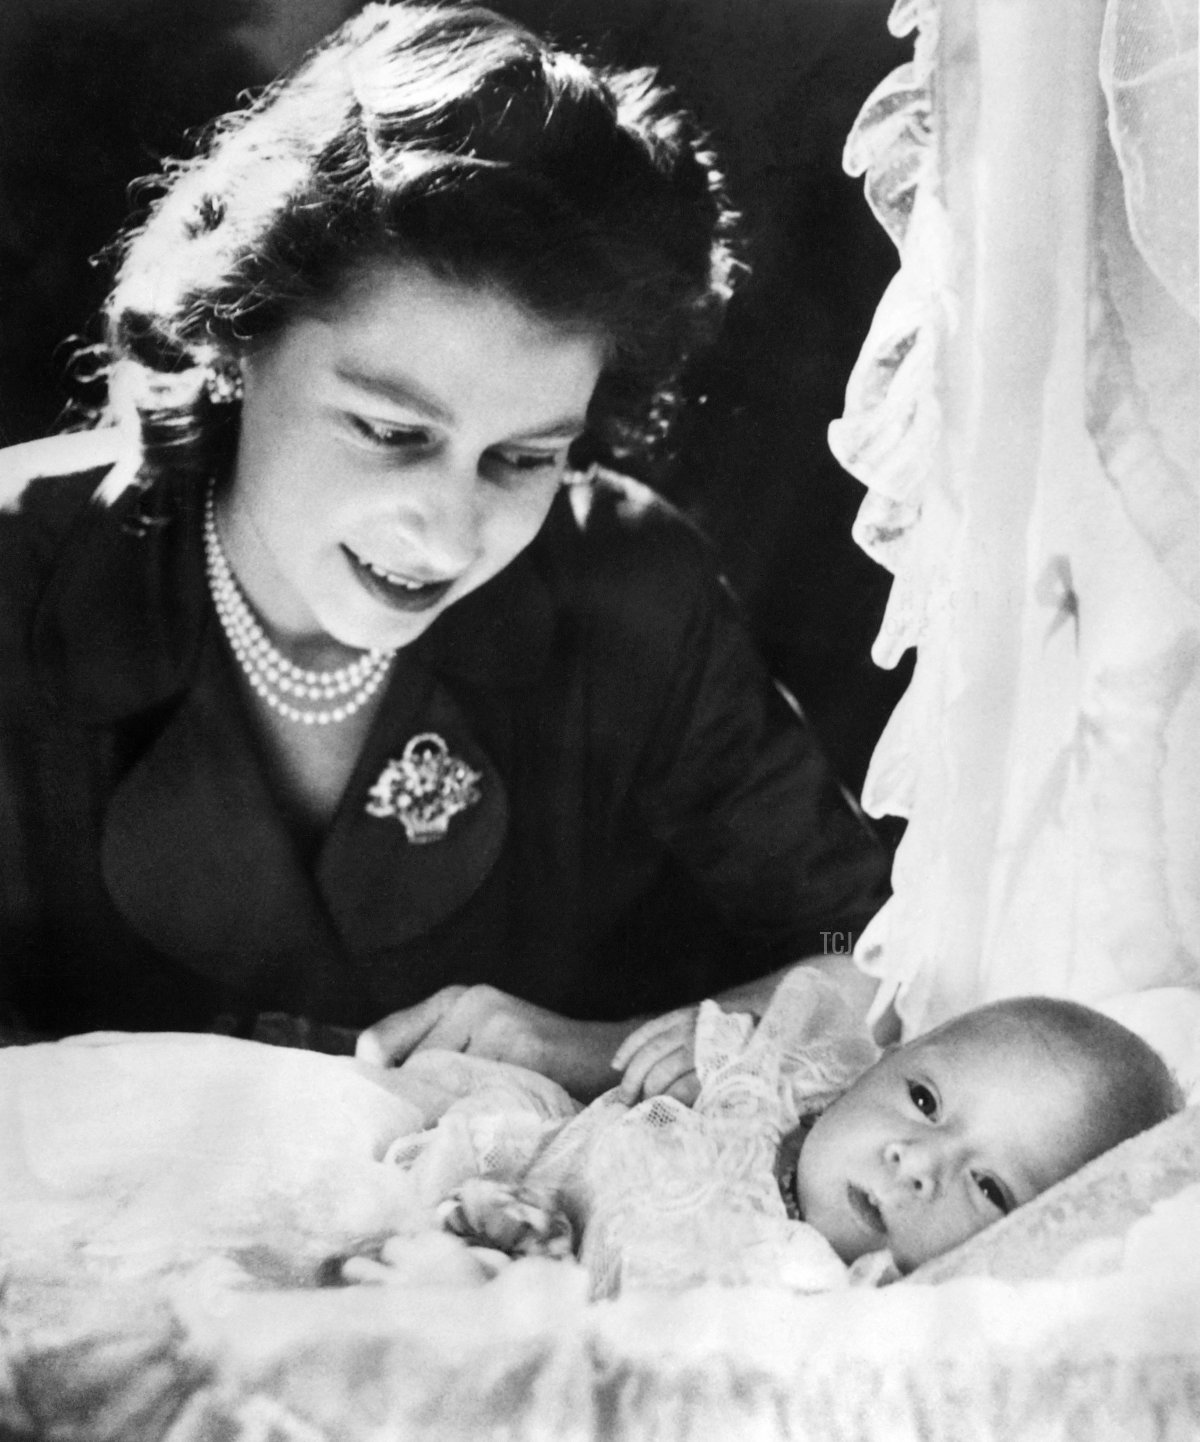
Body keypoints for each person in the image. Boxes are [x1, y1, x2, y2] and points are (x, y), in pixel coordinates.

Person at [0, 1, 890, 1098]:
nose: (451, 529)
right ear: (240, 329)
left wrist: (593, 1048)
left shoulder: (631, 584)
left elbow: (877, 958)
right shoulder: (20, 570)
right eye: (390, 431)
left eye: (523, 458)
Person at [364, 974, 1182, 1291]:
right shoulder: (775, 1087)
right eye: (925, 1101)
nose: (917, 1161)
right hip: (544, 1193)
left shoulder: (863, 1305)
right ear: (877, 1064)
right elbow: (816, 976)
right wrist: (697, 1048)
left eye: (992, 1188)